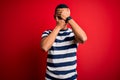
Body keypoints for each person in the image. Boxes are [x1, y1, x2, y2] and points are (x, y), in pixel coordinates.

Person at [41, 4, 87, 80]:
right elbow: (44, 47)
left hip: (71, 78)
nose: (62, 19)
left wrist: (69, 19)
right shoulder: (48, 33)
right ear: (55, 17)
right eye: (60, 17)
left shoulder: (73, 33)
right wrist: (58, 27)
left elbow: (83, 38)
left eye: (65, 17)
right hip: (51, 78)